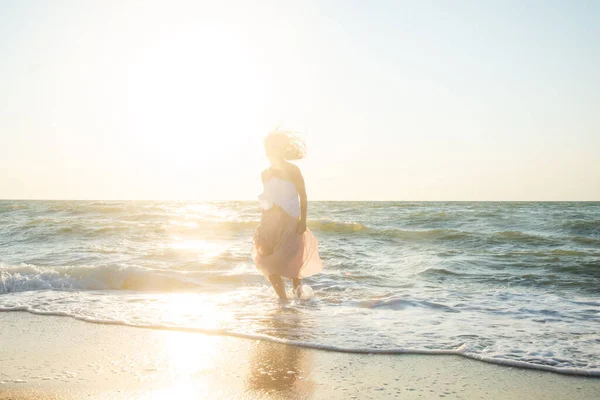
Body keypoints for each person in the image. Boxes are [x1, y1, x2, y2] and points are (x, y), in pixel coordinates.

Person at [252, 130, 323, 300]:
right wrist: (262, 223)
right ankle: (283, 300)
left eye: (274, 147)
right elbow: (266, 200)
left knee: (293, 260)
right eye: (268, 147)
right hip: (268, 222)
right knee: (267, 261)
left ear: (282, 149)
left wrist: (303, 221)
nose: (270, 151)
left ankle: (298, 297)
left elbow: (303, 195)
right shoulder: (265, 173)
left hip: (289, 220)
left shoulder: (293, 170)